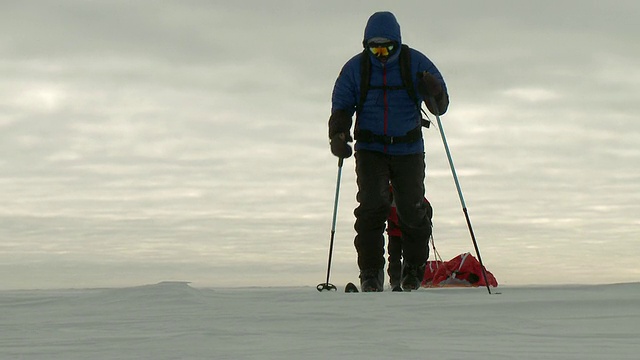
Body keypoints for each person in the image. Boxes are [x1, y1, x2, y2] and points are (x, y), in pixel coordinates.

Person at [328, 11, 449, 291]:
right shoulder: (355, 69)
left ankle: (414, 269)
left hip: (408, 148)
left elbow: (439, 108)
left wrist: (435, 92)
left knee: (411, 209)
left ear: (398, 44)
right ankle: (370, 273)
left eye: (387, 48)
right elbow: (342, 106)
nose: (381, 54)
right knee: (372, 206)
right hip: (370, 148)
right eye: (375, 48)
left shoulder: (416, 64)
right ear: (365, 45)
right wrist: (338, 134)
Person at [386, 186, 433, 290]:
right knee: (394, 257)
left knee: (404, 257)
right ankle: (395, 281)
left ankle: (407, 279)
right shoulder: (387, 194)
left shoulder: (410, 194)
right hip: (395, 232)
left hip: (406, 232)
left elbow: (426, 211)